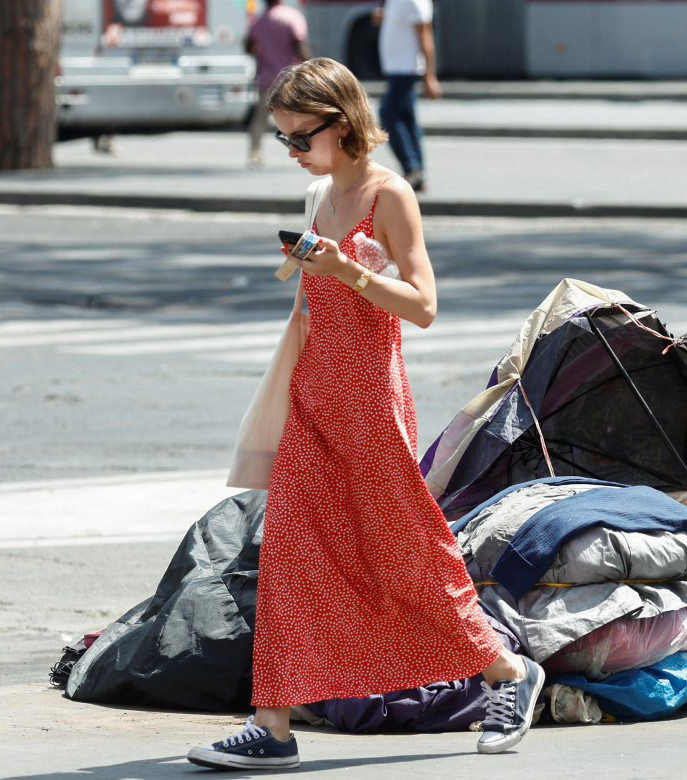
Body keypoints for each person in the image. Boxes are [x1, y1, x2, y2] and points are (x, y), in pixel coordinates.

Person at [186, 58, 544, 770]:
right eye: (283, 138)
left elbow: (425, 306)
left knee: (409, 552)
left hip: (373, 403)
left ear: (341, 125)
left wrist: (349, 271)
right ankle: (274, 725)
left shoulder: (390, 195)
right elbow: (311, 308)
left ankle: (506, 669)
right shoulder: (321, 196)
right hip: (314, 396)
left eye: (299, 137)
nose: (290, 151)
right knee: (289, 556)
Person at [375, 0, 441, 191]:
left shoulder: (414, 1)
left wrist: (430, 77)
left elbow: (426, 37)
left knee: (387, 114)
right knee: (407, 119)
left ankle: (412, 168)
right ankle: (417, 172)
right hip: (397, 68)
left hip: (407, 69)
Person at [245, 0, 311, 169]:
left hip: (267, 78)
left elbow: (248, 45)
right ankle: (305, 151)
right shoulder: (292, 16)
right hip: (290, 79)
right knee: (301, 117)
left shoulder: (259, 21)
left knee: (260, 118)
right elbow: (300, 46)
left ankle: (255, 152)